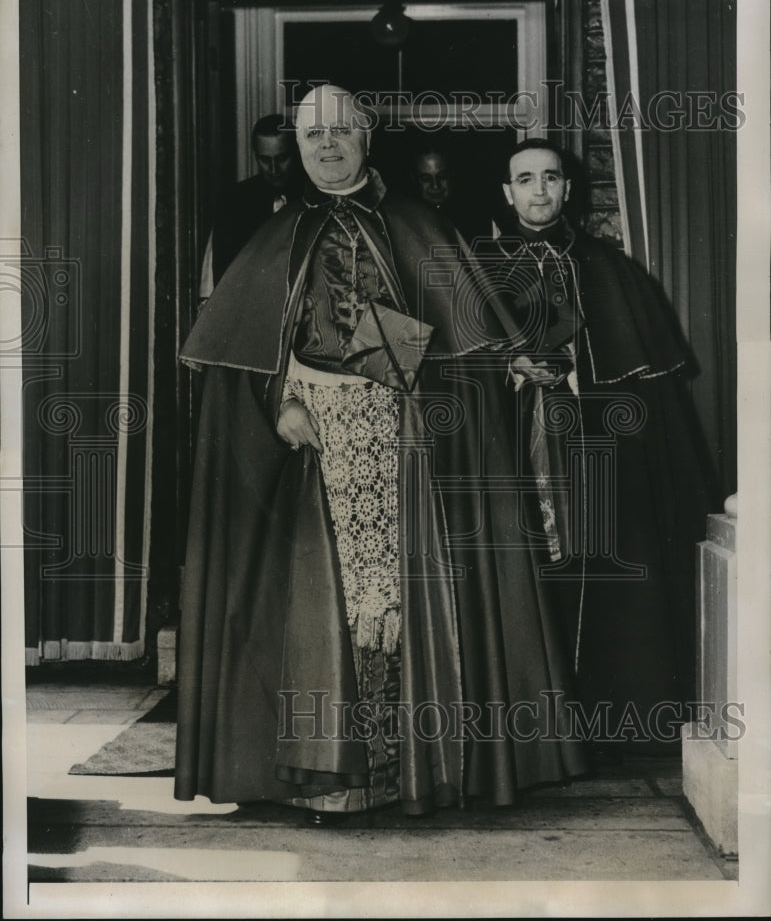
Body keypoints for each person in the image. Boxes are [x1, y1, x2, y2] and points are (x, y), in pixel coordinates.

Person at [174, 88, 586, 823]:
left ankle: (413, 770)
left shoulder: (418, 224)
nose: (326, 145)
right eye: (311, 135)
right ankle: (325, 772)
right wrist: (283, 403)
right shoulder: (273, 236)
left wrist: (478, 372)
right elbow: (240, 362)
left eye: (341, 131)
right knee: (319, 601)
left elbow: (466, 342)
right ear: (297, 147)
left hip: (408, 441)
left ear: (367, 138)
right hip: (309, 442)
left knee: (402, 598)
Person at [468, 137, 717, 752]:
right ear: (507, 193)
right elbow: (454, 367)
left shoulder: (610, 268)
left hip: (595, 452)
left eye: (550, 178)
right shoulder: (478, 266)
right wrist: (513, 369)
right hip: (515, 453)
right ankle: (531, 735)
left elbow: (638, 380)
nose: (539, 190)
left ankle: (608, 726)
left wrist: (579, 371)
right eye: (525, 179)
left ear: (568, 189)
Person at [198, 113, 303, 298]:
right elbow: (217, 279)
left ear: (296, 152)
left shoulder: (314, 198)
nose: (273, 169)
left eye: (282, 158)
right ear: (255, 155)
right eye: (265, 159)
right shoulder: (233, 202)